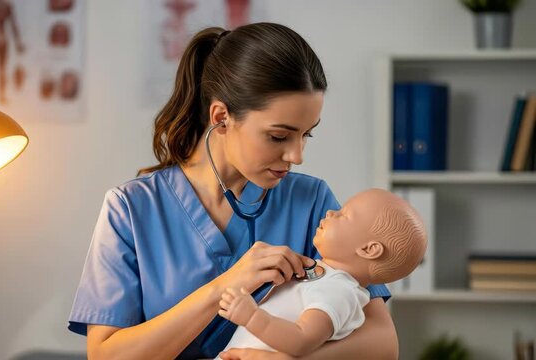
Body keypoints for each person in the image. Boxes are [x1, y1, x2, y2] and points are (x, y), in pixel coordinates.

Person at [68, 22, 398, 359]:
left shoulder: (311, 202)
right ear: (222, 117)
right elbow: (105, 355)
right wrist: (224, 287)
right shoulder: (129, 209)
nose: (297, 156)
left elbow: (382, 342)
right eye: (279, 136)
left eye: (306, 135)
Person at [217, 188, 427, 358]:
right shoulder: (327, 279)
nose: (330, 212)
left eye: (344, 215)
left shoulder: (339, 291)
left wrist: (251, 316)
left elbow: (301, 341)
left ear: (368, 249)